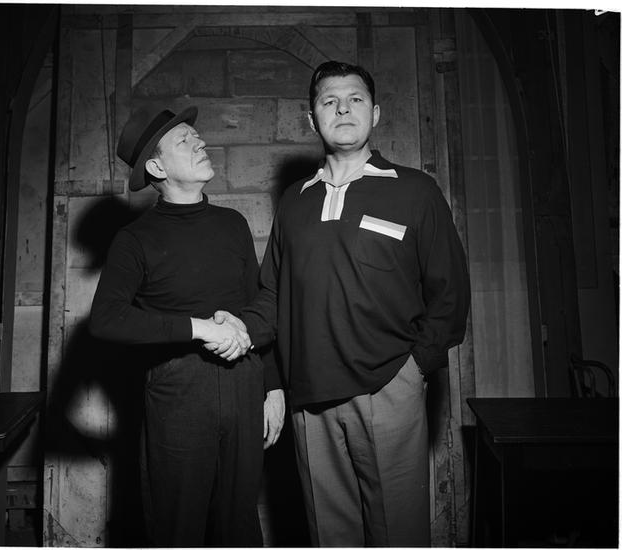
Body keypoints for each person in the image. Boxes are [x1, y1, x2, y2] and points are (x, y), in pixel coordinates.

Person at [211, 61, 470, 546]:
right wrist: (239, 328)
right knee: (330, 537)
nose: (343, 109)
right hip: (310, 397)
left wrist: (415, 367)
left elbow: (450, 292)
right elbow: (273, 294)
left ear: (376, 113)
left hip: (389, 385)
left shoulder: (415, 190)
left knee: (398, 535)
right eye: (329, 101)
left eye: (355, 99)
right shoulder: (295, 200)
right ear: (312, 119)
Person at [88, 105, 285, 547]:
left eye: (197, 136)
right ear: (157, 168)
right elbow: (106, 318)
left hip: (245, 383)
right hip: (179, 393)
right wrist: (200, 328)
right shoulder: (135, 239)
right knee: (179, 527)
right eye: (184, 140)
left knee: (239, 526)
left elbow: (256, 307)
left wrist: (272, 388)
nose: (200, 142)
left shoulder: (232, 224)